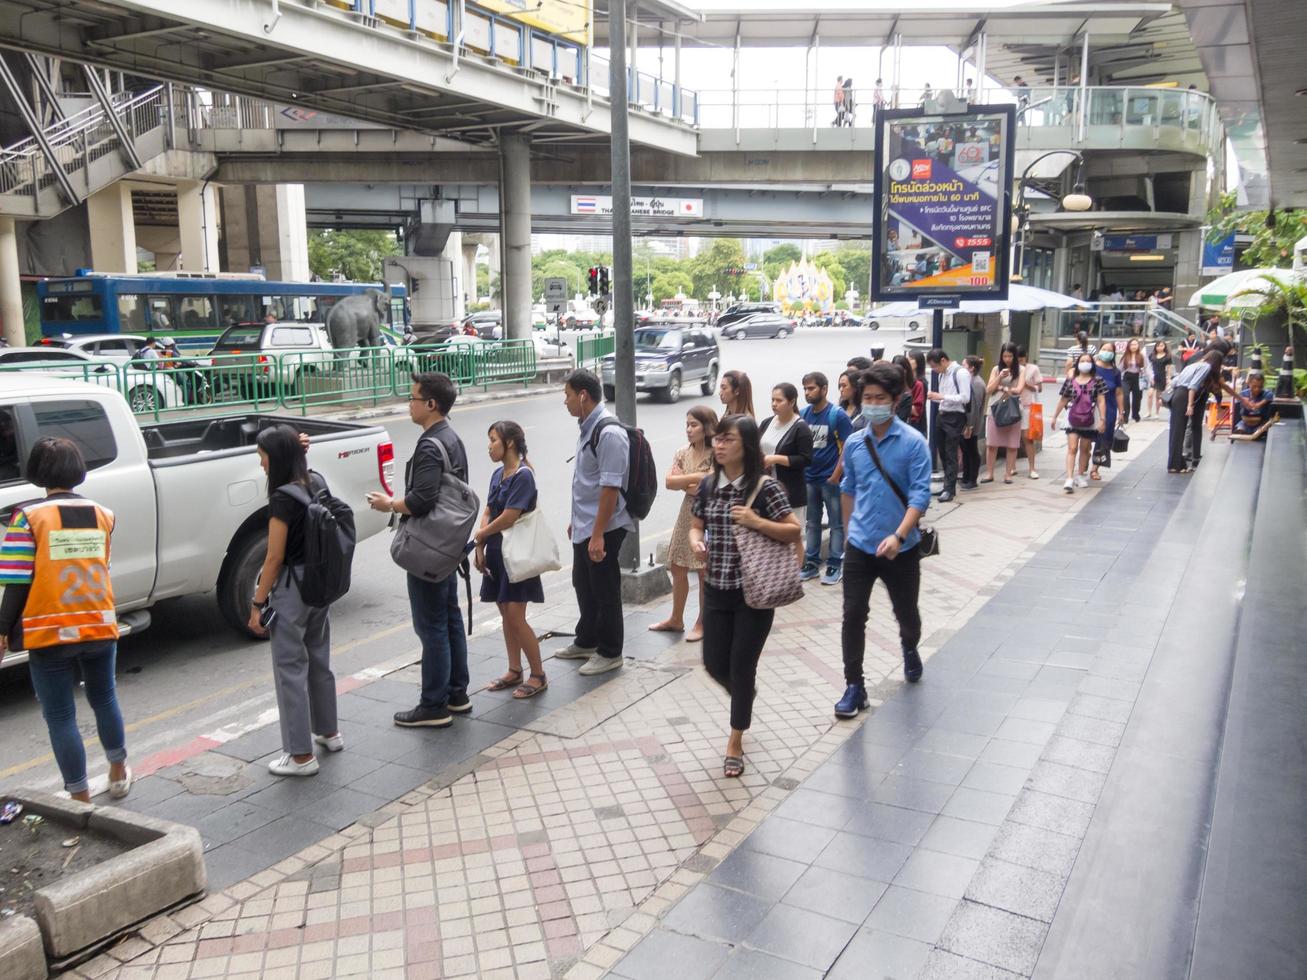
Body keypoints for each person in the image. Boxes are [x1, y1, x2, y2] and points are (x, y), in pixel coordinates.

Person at [0, 438, 130, 802]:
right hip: (99, 625)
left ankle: (79, 797)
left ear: (38, 472)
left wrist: (1, 632)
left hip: (50, 632)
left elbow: (16, 582)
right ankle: (118, 771)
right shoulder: (104, 515)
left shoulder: (27, 518)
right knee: (105, 698)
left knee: (60, 717)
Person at [688, 415, 800, 777]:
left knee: (741, 665)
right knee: (713, 665)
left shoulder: (765, 488)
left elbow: (792, 531)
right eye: (717, 439)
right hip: (716, 590)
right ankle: (744, 695)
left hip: (755, 593)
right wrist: (696, 542)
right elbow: (695, 526)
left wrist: (756, 521)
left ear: (747, 446)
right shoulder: (708, 486)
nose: (719, 445)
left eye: (728, 440)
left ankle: (735, 740)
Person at [367, 372, 472, 727]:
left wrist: (390, 504)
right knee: (449, 619)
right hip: (448, 547)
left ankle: (433, 706)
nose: (408, 404)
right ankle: (457, 693)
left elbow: (423, 500)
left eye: (413, 398)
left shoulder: (430, 444)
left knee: (432, 627)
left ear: (431, 404)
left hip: (429, 549)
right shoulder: (452, 438)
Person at [835, 364, 932, 719]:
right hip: (860, 546)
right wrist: (848, 535)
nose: (872, 404)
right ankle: (854, 685)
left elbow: (920, 497)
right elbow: (848, 489)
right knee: (852, 614)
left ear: (895, 401)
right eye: (867, 398)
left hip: (901, 549)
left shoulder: (913, 443)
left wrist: (899, 535)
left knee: (907, 614)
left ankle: (909, 646)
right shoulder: (856, 443)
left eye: (880, 398)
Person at [247, 425, 343, 776]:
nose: (261, 465)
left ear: (277, 459)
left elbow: (273, 558)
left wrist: (257, 605)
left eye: (263, 457)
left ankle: (300, 755)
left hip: (292, 589)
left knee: (289, 668)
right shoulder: (316, 482)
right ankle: (329, 732)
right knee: (319, 658)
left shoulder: (282, 498)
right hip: (320, 584)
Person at [554, 369, 632, 675]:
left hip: (605, 527)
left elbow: (610, 489)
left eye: (568, 395)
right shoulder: (588, 426)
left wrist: (598, 534)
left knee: (604, 588)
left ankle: (611, 651)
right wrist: (578, 521)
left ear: (583, 396)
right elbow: (587, 480)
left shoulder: (608, 432)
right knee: (582, 583)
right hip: (586, 524)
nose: (566, 402)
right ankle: (587, 639)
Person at [473, 421, 547, 699]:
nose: (489, 446)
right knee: (505, 612)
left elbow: (509, 516)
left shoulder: (523, 476)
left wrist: (481, 534)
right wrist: (480, 543)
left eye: (493, 440)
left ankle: (538, 674)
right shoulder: (497, 474)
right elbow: (489, 509)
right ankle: (514, 669)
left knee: (516, 615)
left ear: (510, 443)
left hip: (517, 554)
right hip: (497, 551)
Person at [651, 407, 717, 642]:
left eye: (694, 425)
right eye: (687, 425)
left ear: (707, 427)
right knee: (677, 566)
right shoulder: (682, 452)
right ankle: (676, 618)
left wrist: (684, 482)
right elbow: (669, 482)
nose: (689, 430)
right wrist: (695, 480)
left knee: (703, 571)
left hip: (708, 513)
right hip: (686, 513)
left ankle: (703, 622)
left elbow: (709, 485)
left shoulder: (716, 453)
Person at [800, 372, 853, 585]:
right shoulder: (803, 414)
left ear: (824, 389)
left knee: (836, 524)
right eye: (805, 389)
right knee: (811, 523)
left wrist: (835, 475)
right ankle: (811, 564)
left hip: (830, 480)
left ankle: (834, 565)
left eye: (811, 388)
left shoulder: (837, 415)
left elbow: (848, 447)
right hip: (809, 480)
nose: (807, 392)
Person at [1167, 350, 1236, 473]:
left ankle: (1176, 464)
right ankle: (1176, 465)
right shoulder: (1206, 367)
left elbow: (1174, 382)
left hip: (1178, 394)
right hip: (1185, 396)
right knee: (1180, 431)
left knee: (1176, 431)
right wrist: (1189, 405)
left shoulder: (1194, 365)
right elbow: (1193, 386)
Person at [1051, 353, 1107, 492]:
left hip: (1090, 418)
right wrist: (1054, 416)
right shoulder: (1071, 381)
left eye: (1088, 361)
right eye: (1082, 361)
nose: (1085, 363)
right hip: (1072, 417)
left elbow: (1101, 400)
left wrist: (1102, 419)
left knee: (1085, 448)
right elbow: (1063, 399)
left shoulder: (1098, 380)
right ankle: (1069, 477)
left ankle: (1080, 475)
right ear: (1077, 364)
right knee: (1072, 448)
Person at [759, 384, 812, 526]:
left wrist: (775, 459)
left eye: (779, 400)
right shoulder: (767, 423)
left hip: (791, 493)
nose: (774, 404)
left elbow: (805, 459)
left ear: (792, 402)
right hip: (766, 490)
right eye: (772, 400)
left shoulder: (801, 428)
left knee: (792, 536)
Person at [925, 349, 970, 502]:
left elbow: (965, 397)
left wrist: (941, 396)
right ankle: (947, 486)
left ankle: (949, 490)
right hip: (942, 415)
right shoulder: (943, 374)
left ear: (943, 360)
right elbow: (945, 398)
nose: (935, 370)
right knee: (942, 453)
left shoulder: (961, 373)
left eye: (935, 366)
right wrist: (935, 397)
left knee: (951, 453)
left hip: (955, 417)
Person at [984, 343, 1026, 484]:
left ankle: (1008, 474)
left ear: (1015, 356)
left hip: (1013, 408)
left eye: (1010, 356)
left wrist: (1004, 389)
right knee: (991, 443)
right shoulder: (996, 369)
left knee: (1012, 444)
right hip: (995, 408)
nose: (1007, 359)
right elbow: (989, 389)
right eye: (1005, 356)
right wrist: (1000, 379)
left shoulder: (1021, 370)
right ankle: (990, 473)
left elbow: (1019, 389)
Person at [1090, 348, 1124, 481]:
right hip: (1089, 408)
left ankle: (1095, 467)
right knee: (1087, 438)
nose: (1106, 352)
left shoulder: (1115, 372)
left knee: (1103, 439)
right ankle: (1084, 459)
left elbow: (1119, 393)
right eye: (1104, 349)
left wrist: (1121, 412)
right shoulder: (1091, 367)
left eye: (1110, 350)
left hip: (1109, 408)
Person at [961, 355, 986, 490]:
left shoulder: (976, 383)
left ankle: (972, 479)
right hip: (968, 423)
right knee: (966, 450)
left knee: (971, 450)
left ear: (971, 368)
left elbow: (974, 408)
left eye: (964, 365)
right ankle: (966, 477)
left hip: (972, 423)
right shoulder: (970, 381)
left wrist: (969, 426)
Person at [1017, 347, 1042, 480]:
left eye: (1022, 358)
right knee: (1013, 437)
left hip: (1028, 406)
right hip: (1013, 405)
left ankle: (1032, 468)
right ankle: (1012, 467)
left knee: (1027, 438)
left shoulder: (1033, 369)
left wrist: (1027, 385)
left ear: (1026, 357)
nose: (1020, 360)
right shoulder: (1012, 369)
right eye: (1018, 358)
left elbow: (1040, 388)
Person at [1120, 338, 1146, 423]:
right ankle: (1125, 416)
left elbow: (1147, 367)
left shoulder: (1141, 355)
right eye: (1132, 344)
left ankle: (1135, 414)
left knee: (1137, 398)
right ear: (1129, 346)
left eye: (1135, 344)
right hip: (1127, 377)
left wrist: (1151, 377)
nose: (1134, 346)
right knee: (1125, 396)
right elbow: (1120, 368)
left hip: (1138, 377)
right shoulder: (1126, 356)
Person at [1147, 340, 1173, 418]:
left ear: (1165, 346)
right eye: (1158, 346)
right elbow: (1149, 366)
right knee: (1150, 394)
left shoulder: (1167, 356)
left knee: (1158, 396)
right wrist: (1149, 375)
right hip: (1153, 377)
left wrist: (1168, 378)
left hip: (1162, 376)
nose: (1159, 347)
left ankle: (1157, 413)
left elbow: (1169, 368)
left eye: (1162, 346)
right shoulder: (1152, 355)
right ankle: (1149, 411)